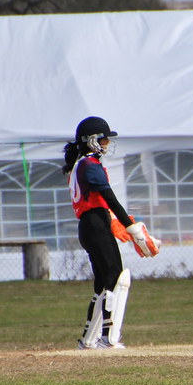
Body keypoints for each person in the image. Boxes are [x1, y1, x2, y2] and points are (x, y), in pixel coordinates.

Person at [62, 116, 159, 350]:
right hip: (95, 226)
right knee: (117, 279)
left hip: (91, 225)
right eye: (103, 139)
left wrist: (113, 223)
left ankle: (88, 339)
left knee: (102, 283)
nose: (106, 143)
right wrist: (132, 228)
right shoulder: (90, 165)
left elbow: (98, 203)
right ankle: (109, 338)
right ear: (91, 140)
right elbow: (110, 199)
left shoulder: (80, 164)